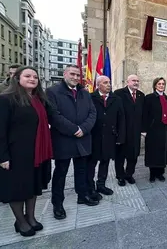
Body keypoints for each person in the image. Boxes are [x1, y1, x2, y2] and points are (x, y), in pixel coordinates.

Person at [0, 66, 53, 236]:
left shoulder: (39, 100)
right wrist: (1, 156)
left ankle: (31, 217)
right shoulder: (4, 99)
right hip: (15, 153)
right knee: (17, 189)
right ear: (17, 78)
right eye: (27, 76)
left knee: (33, 185)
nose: (32, 79)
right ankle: (20, 221)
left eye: (35, 77)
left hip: (35, 153)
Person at [46, 65, 98, 220]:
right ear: (65, 74)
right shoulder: (52, 92)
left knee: (81, 170)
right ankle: (57, 204)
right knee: (61, 172)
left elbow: (92, 112)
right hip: (63, 139)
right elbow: (54, 115)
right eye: (72, 74)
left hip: (83, 137)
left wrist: (83, 128)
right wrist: (74, 129)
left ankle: (82, 195)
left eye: (78, 75)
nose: (76, 77)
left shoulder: (84, 92)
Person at [90, 76, 125, 193]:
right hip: (94, 137)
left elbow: (121, 119)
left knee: (105, 162)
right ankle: (90, 187)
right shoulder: (90, 98)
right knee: (91, 163)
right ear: (98, 85)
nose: (109, 85)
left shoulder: (116, 99)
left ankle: (101, 184)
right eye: (105, 83)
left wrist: (120, 136)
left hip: (110, 136)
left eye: (109, 82)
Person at [114, 75, 144, 186]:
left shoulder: (141, 95)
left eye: (137, 81)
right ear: (127, 82)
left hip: (135, 132)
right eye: (133, 80)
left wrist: (143, 129)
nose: (136, 82)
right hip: (122, 130)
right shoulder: (118, 93)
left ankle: (129, 174)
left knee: (134, 154)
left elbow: (143, 114)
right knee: (120, 155)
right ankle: (120, 176)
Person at [142, 77, 167, 182]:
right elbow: (145, 114)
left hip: (165, 129)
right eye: (159, 84)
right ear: (155, 85)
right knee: (153, 152)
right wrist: (144, 130)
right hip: (153, 129)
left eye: (163, 84)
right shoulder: (149, 98)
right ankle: (152, 174)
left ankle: (160, 173)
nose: (161, 86)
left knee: (162, 151)